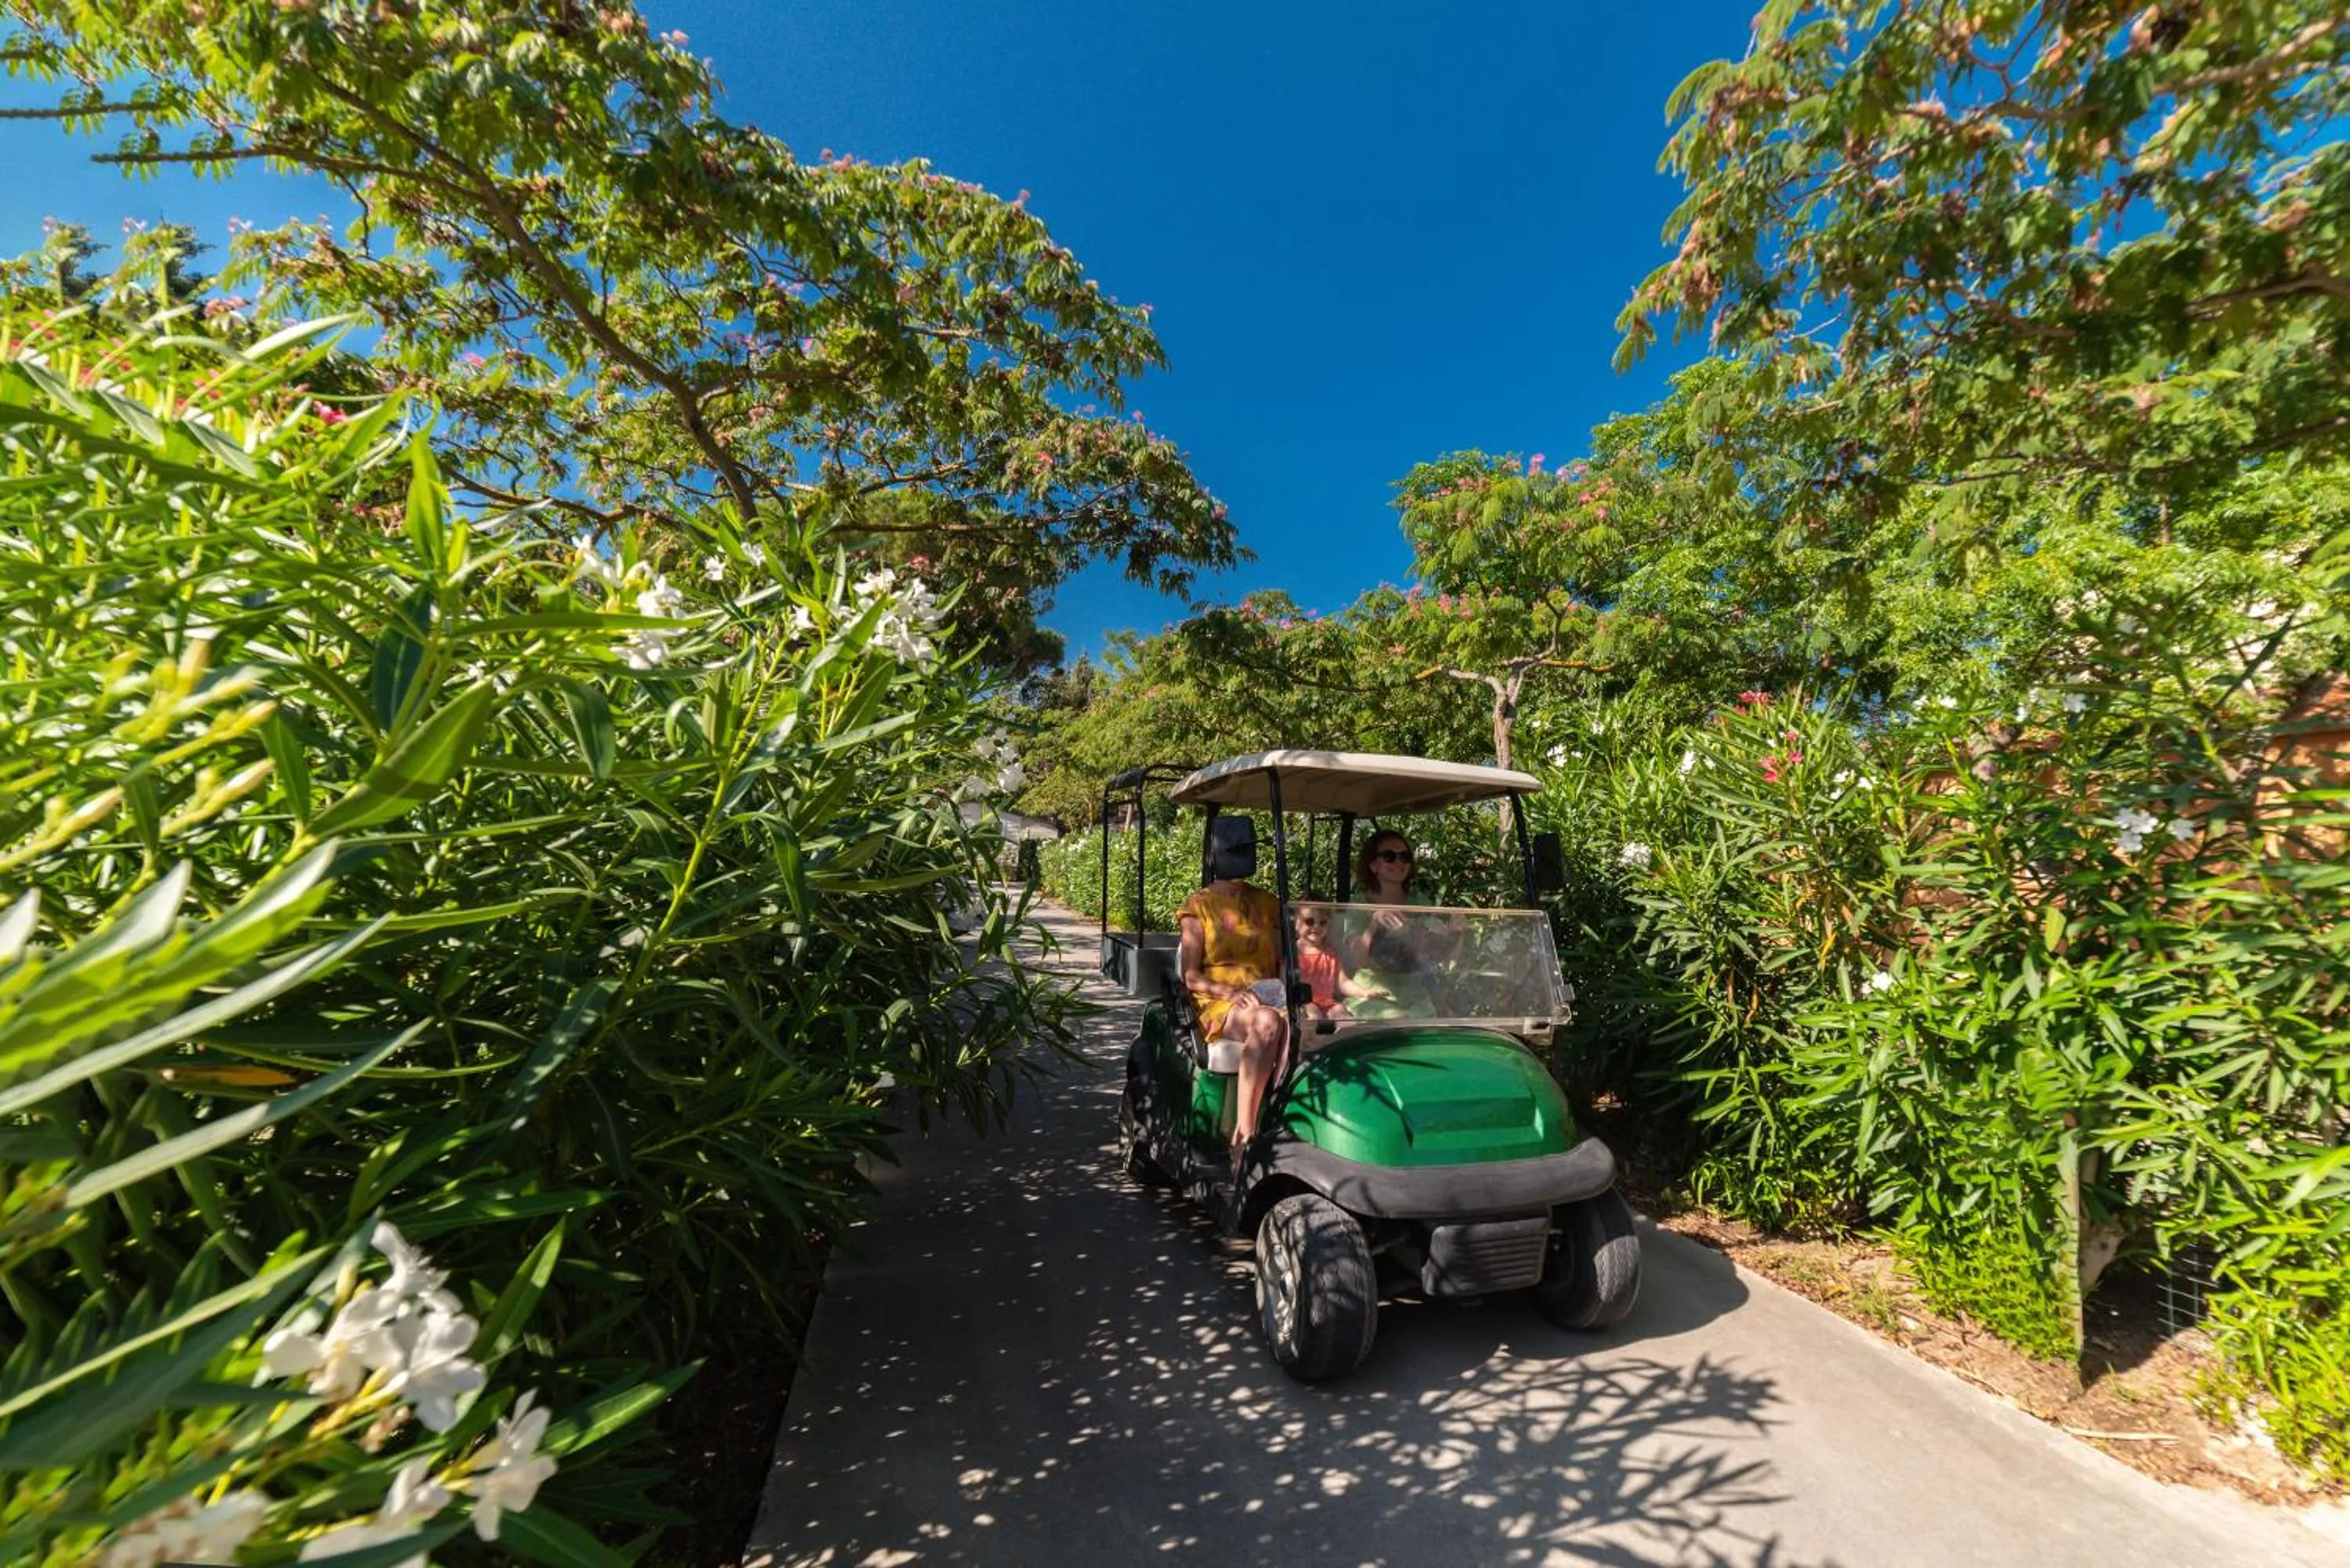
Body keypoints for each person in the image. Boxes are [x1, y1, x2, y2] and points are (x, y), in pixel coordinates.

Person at [1176, 816, 1289, 1171]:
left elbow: (1284, 959)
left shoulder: (1269, 904)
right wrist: (1231, 991)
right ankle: (1244, 1134)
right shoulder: (1199, 905)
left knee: (1314, 1023)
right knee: (1268, 1023)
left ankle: (1287, 1123)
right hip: (1220, 1000)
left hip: (1269, 992)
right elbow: (1190, 975)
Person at [1291, 903, 1388, 1024]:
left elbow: (1343, 983)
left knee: (1343, 1016)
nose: (1316, 926)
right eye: (1309, 921)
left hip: (1329, 1003)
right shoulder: (1291, 953)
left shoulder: (1331, 954)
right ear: (1296, 923)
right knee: (1313, 1015)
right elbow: (1285, 985)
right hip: (1303, 1003)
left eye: (1322, 923)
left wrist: (1364, 993)